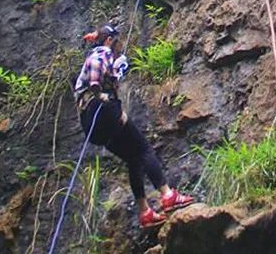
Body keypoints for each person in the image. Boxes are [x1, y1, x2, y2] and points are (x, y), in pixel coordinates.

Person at [73, 24, 194, 227]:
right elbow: (95, 76)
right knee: (144, 148)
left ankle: (145, 211)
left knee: (133, 159)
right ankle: (168, 195)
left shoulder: (105, 55)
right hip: (102, 109)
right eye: (116, 42)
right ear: (110, 40)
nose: (118, 47)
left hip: (91, 125)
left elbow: (107, 77)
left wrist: (118, 72)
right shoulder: (102, 52)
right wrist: (99, 92)